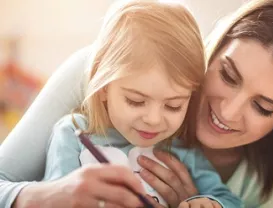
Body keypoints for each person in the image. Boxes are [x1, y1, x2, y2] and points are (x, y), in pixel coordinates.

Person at [0, 0, 273, 207]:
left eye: (263, 107)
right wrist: (50, 195)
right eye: (228, 75)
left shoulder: (270, 185)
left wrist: (202, 199)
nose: (227, 112)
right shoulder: (104, 77)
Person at [38, 1, 241, 208]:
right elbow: (53, 198)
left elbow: (232, 202)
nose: (153, 120)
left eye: (173, 106)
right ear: (104, 87)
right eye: (136, 101)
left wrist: (208, 203)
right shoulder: (73, 135)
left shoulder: (182, 150)